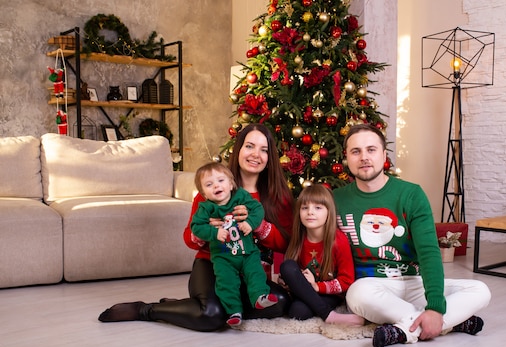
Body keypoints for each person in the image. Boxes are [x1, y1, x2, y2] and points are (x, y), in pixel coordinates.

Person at [98, 123, 294, 331]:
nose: (256, 154)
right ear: (238, 149)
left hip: (249, 267)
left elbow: (286, 244)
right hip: (212, 264)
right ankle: (147, 309)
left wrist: (259, 225)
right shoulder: (213, 187)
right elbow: (189, 237)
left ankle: (209, 306)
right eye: (250, 146)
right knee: (211, 315)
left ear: (270, 157)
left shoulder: (277, 196)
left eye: (263, 150)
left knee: (280, 301)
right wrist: (208, 231)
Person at [333, 124, 491, 347]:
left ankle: (407, 328)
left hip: (412, 282)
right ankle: (446, 324)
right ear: (346, 157)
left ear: (384, 155)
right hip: (372, 287)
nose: (364, 157)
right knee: (357, 295)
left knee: (480, 290)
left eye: (371, 150)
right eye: (356, 151)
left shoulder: (411, 194)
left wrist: (435, 307)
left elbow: (428, 252)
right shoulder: (336, 199)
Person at [190, 162, 278, 327]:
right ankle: (234, 311)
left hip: (247, 253)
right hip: (223, 256)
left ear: (231, 184)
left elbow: (257, 209)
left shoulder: (241, 196)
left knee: (255, 273)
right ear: (204, 193)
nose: (216, 185)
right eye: (209, 184)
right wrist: (214, 233)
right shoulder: (206, 207)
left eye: (221, 181)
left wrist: (251, 223)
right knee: (226, 281)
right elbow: (196, 227)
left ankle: (260, 297)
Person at [279, 184, 364, 326]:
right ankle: (326, 312)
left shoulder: (338, 241)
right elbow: (295, 270)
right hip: (306, 290)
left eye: (318, 208)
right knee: (287, 268)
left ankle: (329, 315)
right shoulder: (298, 237)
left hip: (329, 293)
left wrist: (317, 287)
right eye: (305, 208)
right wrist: (289, 281)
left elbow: (346, 281)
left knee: (299, 311)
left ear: (329, 212)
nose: (310, 212)